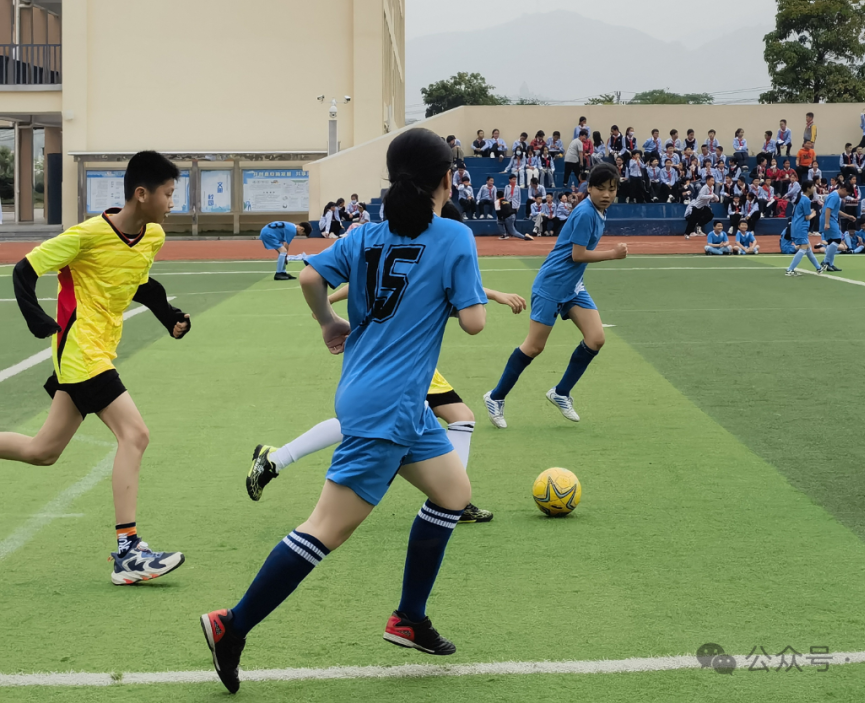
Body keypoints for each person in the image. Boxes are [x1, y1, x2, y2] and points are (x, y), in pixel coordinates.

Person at [201, 129, 490, 694]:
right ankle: (231, 625)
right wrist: (452, 300)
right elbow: (475, 321)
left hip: (388, 400)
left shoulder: (364, 235)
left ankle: (409, 617)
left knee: (453, 494)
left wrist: (329, 323)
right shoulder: (454, 235)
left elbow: (310, 276)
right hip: (388, 408)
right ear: (445, 179)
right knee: (325, 529)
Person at [246, 204, 529, 526]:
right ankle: (454, 500)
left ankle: (276, 458)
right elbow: (470, 315)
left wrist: (327, 310)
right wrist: (492, 296)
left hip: (379, 359)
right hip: (401, 359)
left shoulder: (388, 243)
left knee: (372, 420)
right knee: (448, 418)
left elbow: (362, 281)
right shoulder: (438, 245)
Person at [3, 151, 191, 585]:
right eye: (167, 194)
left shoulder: (153, 236)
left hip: (100, 351)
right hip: (80, 351)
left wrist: (169, 317)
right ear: (141, 194)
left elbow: (138, 282)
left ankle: (129, 552)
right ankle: (129, 553)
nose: (171, 202)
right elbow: (24, 270)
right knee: (135, 434)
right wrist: (39, 320)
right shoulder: (86, 235)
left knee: (43, 451)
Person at [484, 164, 626, 428]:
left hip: (573, 286)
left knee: (596, 338)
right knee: (534, 346)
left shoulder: (599, 210)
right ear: (589, 189)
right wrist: (613, 254)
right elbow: (578, 255)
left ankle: (561, 392)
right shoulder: (585, 213)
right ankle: (495, 397)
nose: (607, 194)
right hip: (551, 285)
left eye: (612, 189)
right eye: (601, 189)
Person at [784, 181, 823, 276]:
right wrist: (813, 214)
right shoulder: (806, 200)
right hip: (801, 226)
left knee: (808, 248)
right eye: (813, 186)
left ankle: (818, 268)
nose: (814, 188)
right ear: (808, 188)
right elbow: (807, 217)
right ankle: (790, 269)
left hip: (797, 225)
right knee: (803, 248)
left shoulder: (800, 198)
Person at [820, 181, 854, 273]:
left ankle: (830, 263)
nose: (846, 195)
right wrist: (827, 223)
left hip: (830, 218)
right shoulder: (835, 196)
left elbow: (835, 210)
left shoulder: (835, 196)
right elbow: (828, 209)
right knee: (837, 240)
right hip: (830, 219)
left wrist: (847, 216)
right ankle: (826, 261)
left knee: (832, 241)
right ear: (843, 189)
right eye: (847, 193)